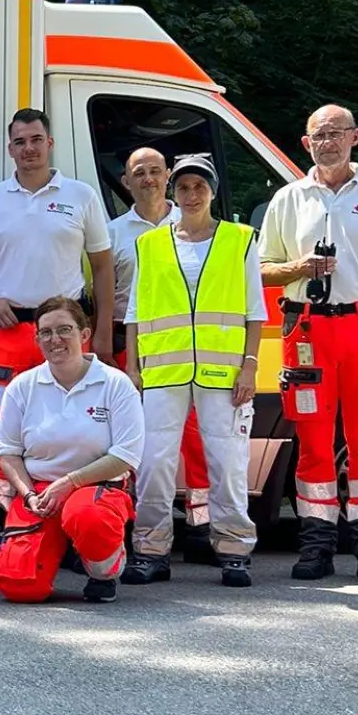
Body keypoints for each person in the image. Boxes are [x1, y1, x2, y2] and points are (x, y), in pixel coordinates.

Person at [260, 105, 358, 584]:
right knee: (312, 441)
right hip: (306, 332)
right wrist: (300, 268)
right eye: (318, 135)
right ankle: (316, 547)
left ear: (355, 137)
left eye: (335, 133)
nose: (327, 142)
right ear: (305, 144)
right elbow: (263, 269)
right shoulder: (289, 199)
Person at [0, 108, 114, 573]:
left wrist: (101, 331)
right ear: (10, 148)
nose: (28, 148)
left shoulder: (80, 196)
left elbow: (102, 267)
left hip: (64, 334)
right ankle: (1, 525)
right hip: (8, 331)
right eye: (20, 141)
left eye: (36, 139)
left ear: (50, 144)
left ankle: (65, 527)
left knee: (70, 428)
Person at [125, 154, 266, 587]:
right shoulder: (150, 244)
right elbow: (134, 311)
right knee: (155, 463)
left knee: (227, 462)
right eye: (184, 186)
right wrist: (132, 366)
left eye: (199, 186)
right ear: (174, 190)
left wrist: (250, 366)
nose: (190, 194)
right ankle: (151, 550)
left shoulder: (240, 239)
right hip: (163, 369)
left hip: (223, 372)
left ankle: (234, 550)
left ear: (213, 190)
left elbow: (254, 310)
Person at [0, 296, 142, 603]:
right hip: (41, 493)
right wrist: (29, 494)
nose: (54, 339)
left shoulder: (115, 384)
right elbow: (7, 452)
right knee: (17, 587)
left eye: (64, 330)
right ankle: (55, 549)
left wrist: (70, 483)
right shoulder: (22, 386)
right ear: (36, 338)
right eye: (45, 332)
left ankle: (103, 572)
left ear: (84, 335)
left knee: (86, 516)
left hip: (95, 488)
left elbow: (126, 455)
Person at [107, 148, 214, 563]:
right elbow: (103, 292)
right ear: (126, 180)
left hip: (181, 349)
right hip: (127, 344)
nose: (148, 178)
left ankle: (201, 526)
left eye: (155, 171)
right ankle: (132, 522)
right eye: (139, 172)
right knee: (131, 438)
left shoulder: (191, 221)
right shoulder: (113, 231)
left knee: (192, 438)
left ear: (168, 175)